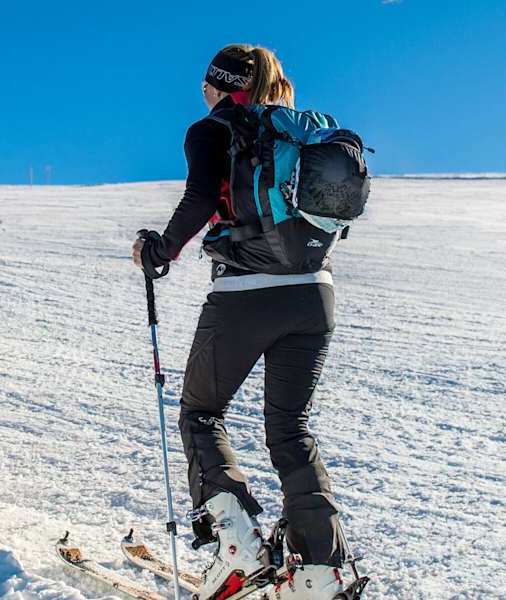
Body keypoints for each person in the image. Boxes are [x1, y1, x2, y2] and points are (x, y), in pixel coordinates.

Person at [131, 44, 349, 600]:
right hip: (315, 295)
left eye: (205, 85)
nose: (201, 94)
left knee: (201, 413)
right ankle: (319, 573)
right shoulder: (301, 132)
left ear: (220, 85)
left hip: (246, 294)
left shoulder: (213, 128)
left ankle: (236, 547)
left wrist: (160, 250)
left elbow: (202, 195)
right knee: (290, 425)